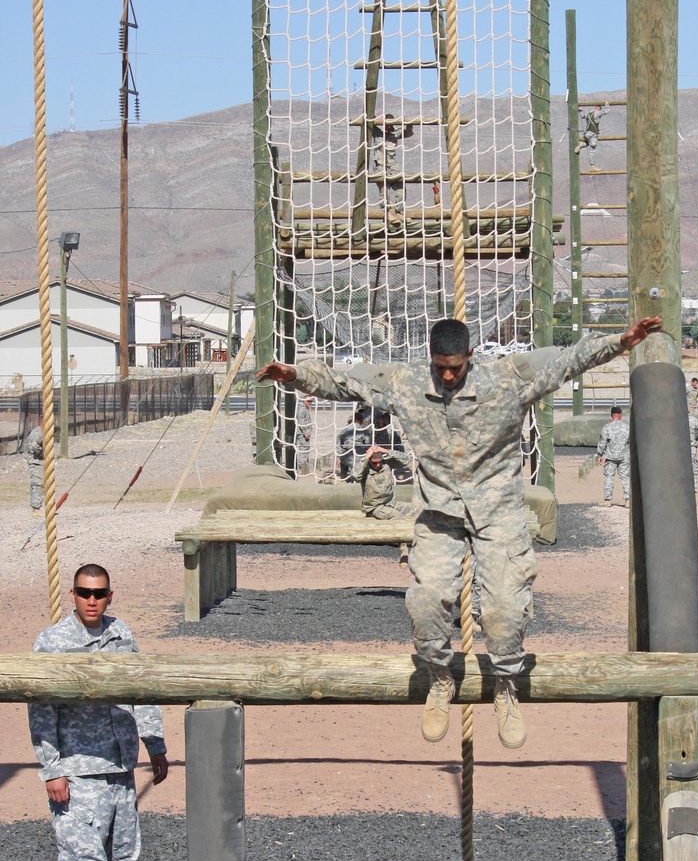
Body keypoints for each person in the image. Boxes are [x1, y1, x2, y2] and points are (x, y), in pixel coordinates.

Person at [259, 315, 662, 750]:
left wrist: (621, 342)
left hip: (498, 512)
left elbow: (568, 361)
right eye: (440, 366)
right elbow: (347, 382)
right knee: (426, 600)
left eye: (455, 366)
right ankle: (439, 678)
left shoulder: (509, 378)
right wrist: (296, 375)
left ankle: (506, 687)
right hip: (440, 513)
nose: (447, 375)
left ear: (471, 356)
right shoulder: (406, 381)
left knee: (504, 608)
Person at [29, 565, 168, 861]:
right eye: (84, 593)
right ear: (72, 595)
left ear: (111, 595)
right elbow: (40, 709)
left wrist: (154, 744)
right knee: (84, 857)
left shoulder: (121, 634)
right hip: (78, 769)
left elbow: (141, 688)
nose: (92, 600)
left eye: (100, 593)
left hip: (121, 765)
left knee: (124, 853)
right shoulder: (53, 643)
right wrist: (51, 769)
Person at [359, 444, 405, 520]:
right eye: (374, 463)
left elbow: (406, 460)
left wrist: (386, 451)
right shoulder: (364, 468)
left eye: (379, 462)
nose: (377, 465)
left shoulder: (387, 464)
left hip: (391, 503)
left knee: (419, 510)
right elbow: (355, 475)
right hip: (375, 507)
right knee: (397, 516)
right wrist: (366, 457)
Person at [596, 404, 630, 507]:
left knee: (609, 477)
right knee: (625, 477)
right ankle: (628, 500)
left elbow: (602, 442)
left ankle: (607, 500)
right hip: (624, 456)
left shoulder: (607, 427)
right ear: (620, 415)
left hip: (611, 456)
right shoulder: (627, 427)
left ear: (611, 415)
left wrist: (600, 454)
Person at [24, 425, 44, 511]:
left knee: (40, 484)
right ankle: (36, 508)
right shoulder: (38, 432)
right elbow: (33, 445)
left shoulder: (41, 431)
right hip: (35, 462)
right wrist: (41, 453)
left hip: (38, 462)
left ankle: (37, 506)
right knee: (37, 484)